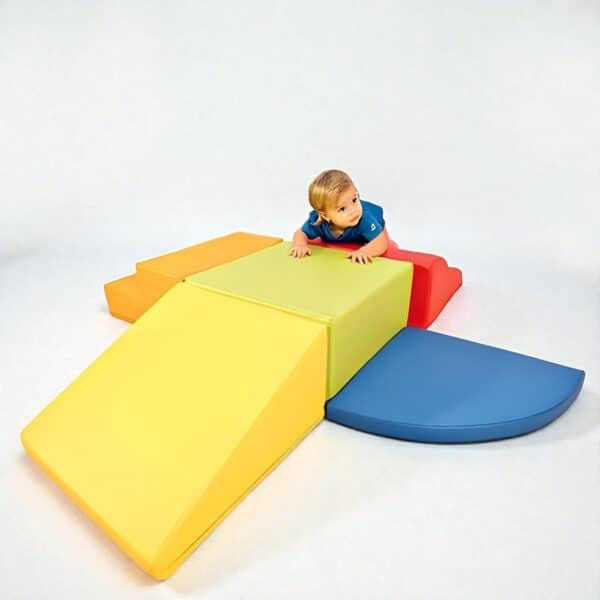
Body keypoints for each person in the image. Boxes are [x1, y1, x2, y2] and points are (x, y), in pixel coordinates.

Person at [289, 169, 390, 264]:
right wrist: (300, 245)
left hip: (376, 221)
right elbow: (301, 233)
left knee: (383, 241)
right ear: (325, 216)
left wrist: (364, 252)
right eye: (342, 209)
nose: (353, 210)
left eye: (354, 200)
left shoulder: (363, 217)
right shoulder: (318, 221)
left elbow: (381, 241)